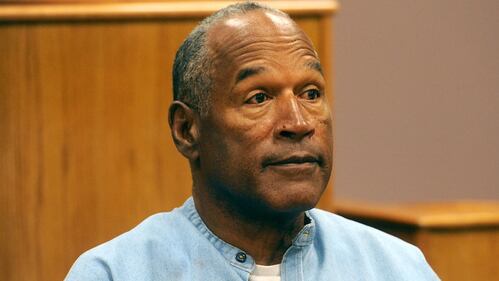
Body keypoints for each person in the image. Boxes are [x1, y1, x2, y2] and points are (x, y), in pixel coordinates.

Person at [65, 2, 439, 280]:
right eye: (258, 97)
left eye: (310, 93)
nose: (298, 123)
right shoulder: (115, 273)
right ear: (186, 130)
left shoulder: (397, 268)